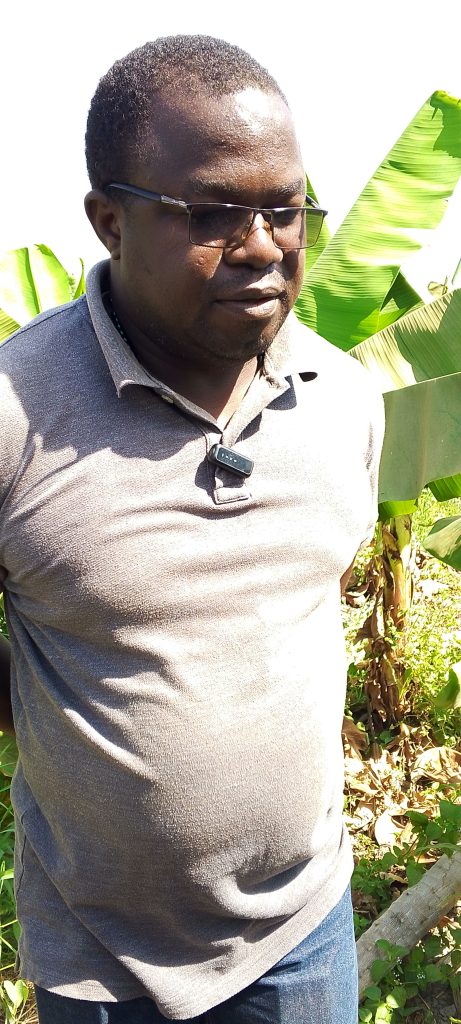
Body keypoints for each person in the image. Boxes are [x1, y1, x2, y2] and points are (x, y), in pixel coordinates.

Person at [0, 35, 384, 1024]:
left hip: (301, 934)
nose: (260, 246)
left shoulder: (344, 399)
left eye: (284, 209)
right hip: (102, 957)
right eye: (211, 214)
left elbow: (304, 605)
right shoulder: (14, 412)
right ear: (109, 220)